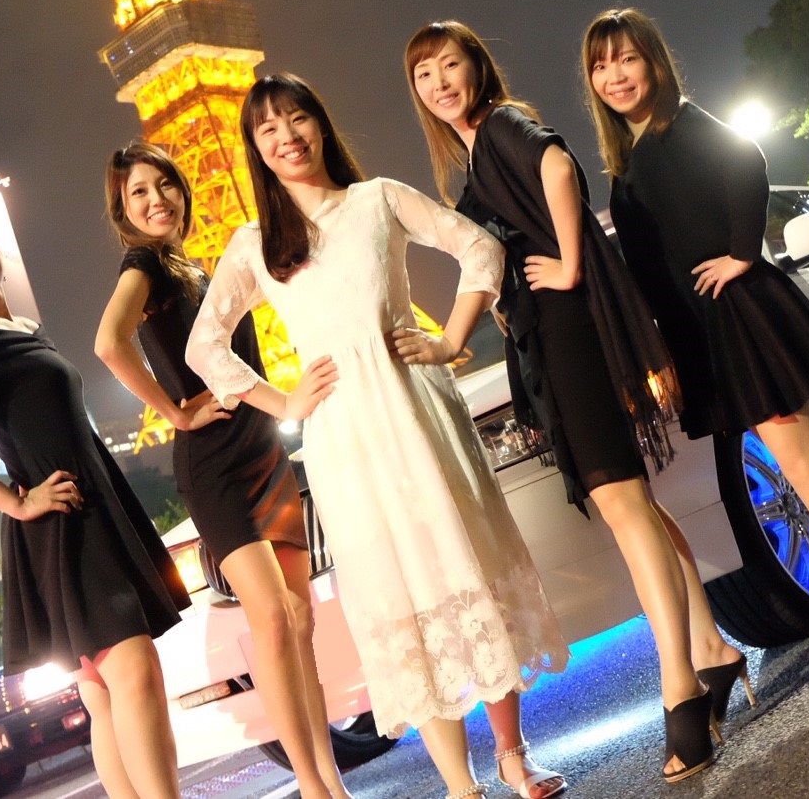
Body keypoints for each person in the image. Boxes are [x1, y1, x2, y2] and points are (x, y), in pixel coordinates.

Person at [186, 73, 570, 799]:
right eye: (268, 129)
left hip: (418, 412)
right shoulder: (253, 244)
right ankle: (460, 786)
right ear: (255, 149)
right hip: (345, 440)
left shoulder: (378, 199)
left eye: (297, 118)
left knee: (467, 570)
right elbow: (205, 346)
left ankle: (513, 754)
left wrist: (449, 337)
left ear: (321, 124)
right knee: (401, 603)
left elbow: (480, 248)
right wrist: (284, 400)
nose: (287, 136)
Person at [405, 21, 744, 784]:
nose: (440, 83)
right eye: (424, 75)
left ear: (476, 66)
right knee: (635, 506)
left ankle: (680, 686)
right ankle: (712, 649)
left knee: (623, 504)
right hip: (553, 332)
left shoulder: (500, 124)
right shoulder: (476, 151)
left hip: (571, 330)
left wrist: (563, 261)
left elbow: (558, 165)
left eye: (450, 65)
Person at [580, 7, 809, 699]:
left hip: (738, 313)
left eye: (627, 58)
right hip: (704, 330)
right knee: (805, 466)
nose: (615, 75)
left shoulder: (682, 126)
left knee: (805, 464)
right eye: (600, 65)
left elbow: (749, 161)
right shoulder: (635, 154)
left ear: (654, 61)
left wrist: (743, 253)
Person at [95, 141, 351, 799]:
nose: (157, 200)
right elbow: (108, 343)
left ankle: (330, 780)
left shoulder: (195, 269)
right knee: (273, 619)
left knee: (300, 620)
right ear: (122, 210)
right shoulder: (144, 266)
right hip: (213, 465)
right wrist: (174, 413)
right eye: (138, 192)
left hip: (261, 449)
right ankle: (312, 786)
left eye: (165, 184)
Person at [0, 203, 189, 799]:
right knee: (133, 675)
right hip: (64, 526)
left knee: (104, 693)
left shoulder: (15, 329)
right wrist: (15, 502)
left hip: (86, 515)